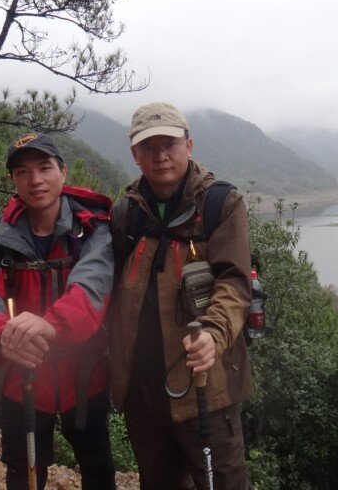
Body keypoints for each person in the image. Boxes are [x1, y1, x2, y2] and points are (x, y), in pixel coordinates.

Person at [0, 132, 116, 490]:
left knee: (97, 466)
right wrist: (1, 338)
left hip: (85, 374)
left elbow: (92, 288)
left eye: (44, 168)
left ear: (63, 172)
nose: (35, 180)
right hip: (21, 376)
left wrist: (46, 325)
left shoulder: (92, 230)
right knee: (24, 472)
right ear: (13, 181)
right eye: (23, 172)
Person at [108, 102, 253, 490]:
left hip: (206, 385)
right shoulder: (126, 214)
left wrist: (214, 334)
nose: (160, 156)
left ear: (189, 145)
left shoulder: (219, 204)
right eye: (149, 147)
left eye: (169, 144)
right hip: (143, 392)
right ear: (135, 154)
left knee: (223, 482)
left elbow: (235, 282)